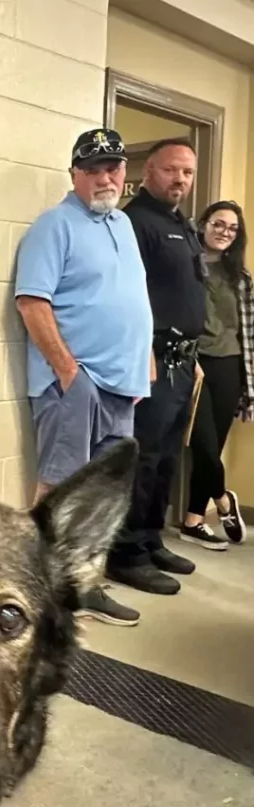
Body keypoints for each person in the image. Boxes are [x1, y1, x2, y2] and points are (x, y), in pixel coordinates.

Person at [14, 128, 152, 626]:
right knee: (58, 487)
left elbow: (131, 299)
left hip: (122, 385)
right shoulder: (55, 225)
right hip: (76, 383)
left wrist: (144, 360)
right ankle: (33, 589)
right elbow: (32, 302)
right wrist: (71, 373)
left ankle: (87, 584)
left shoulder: (124, 225)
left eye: (112, 167)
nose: (104, 177)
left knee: (101, 496)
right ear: (74, 173)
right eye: (92, 169)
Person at [105, 138, 206, 596]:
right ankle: (125, 552)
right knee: (141, 460)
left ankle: (150, 538)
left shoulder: (181, 223)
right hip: (152, 359)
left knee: (166, 458)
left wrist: (196, 357)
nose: (180, 180)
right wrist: (143, 350)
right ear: (148, 172)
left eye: (187, 173)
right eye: (170, 171)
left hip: (183, 362)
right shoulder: (135, 221)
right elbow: (128, 294)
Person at [180, 199, 253, 549]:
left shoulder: (240, 278)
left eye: (232, 228)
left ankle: (193, 520)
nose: (224, 231)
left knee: (214, 444)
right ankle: (223, 500)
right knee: (203, 443)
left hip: (229, 364)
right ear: (203, 224)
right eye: (218, 223)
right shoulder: (187, 266)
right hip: (192, 362)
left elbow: (246, 331)